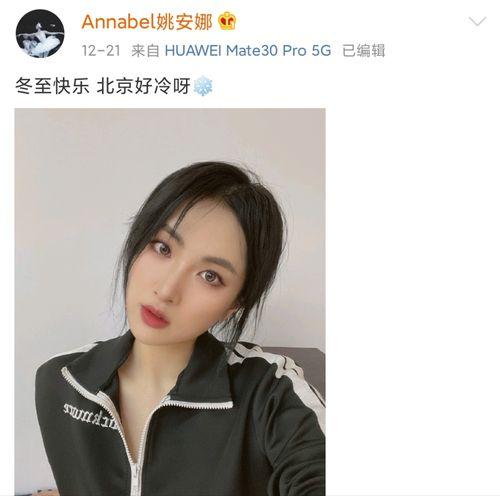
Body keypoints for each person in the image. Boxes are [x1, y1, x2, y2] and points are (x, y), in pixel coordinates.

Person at [34, 161, 325, 495]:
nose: (167, 289)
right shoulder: (63, 381)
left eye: (210, 276)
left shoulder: (269, 392)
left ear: (235, 303)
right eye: (163, 248)